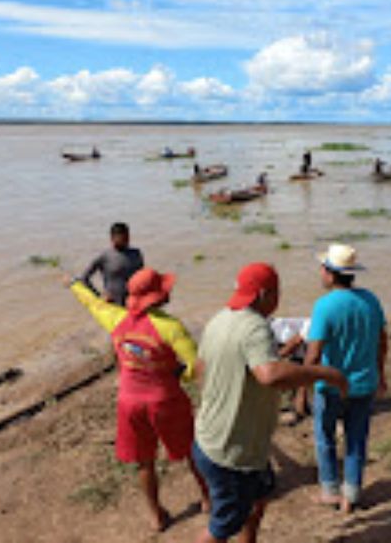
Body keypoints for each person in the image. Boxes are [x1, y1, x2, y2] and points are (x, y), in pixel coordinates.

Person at [193, 263, 348, 543]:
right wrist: (327, 373)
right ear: (264, 293)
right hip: (230, 451)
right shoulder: (256, 328)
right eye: (277, 292)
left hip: (223, 441)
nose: (278, 299)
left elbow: (200, 369)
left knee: (259, 500)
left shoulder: (218, 320)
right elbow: (269, 375)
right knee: (223, 526)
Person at [66, 268, 210, 532]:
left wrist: (74, 284)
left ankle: (155, 516)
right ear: (159, 296)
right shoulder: (170, 326)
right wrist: (183, 373)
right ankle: (207, 499)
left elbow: (91, 303)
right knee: (192, 450)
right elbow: (197, 365)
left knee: (144, 461)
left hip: (129, 401)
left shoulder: (115, 318)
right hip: (165, 400)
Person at [305, 244, 387, 513]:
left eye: (323, 268)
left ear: (329, 274)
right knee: (356, 439)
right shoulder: (371, 300)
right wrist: (381, 374)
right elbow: (382, 341)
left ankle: (329, 489)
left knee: (325, 437)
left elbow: (314, 352)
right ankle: (351, 493)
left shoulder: (325, 306)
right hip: (363, 383)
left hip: (329, 386)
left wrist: (301, 383)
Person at [81, 222, 144, 306]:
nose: (126, 240)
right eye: (123, 238)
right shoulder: (105, 256)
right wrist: (99, 296)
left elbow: (143, 279)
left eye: (127, 237)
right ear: (112, 238)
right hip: (112, 305)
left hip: (134, 303)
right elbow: (84, 278)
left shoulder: (136, 254)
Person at [270, 317, 312, 421]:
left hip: (301, 351)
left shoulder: (310, 325)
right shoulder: (274, 328)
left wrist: (279, 356)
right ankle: (291, 406)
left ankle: (297, 407)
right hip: (296, 351)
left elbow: (296, 341)